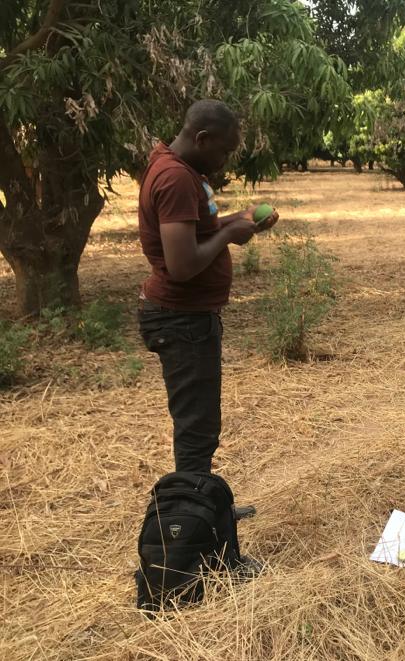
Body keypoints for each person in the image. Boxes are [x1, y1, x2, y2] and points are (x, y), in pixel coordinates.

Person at [137, 99, 278, 476]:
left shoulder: (179, 168)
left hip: (188, 318)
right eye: (224, 151)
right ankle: (190, 507)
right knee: (196, 430)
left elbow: (197, 233)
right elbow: (182, 265)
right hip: (181, 319)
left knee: (200, 426)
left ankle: (201, 500)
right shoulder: (176, 178)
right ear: (202, 138)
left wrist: (238, 220)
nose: (225, 161)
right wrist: (230, 234)